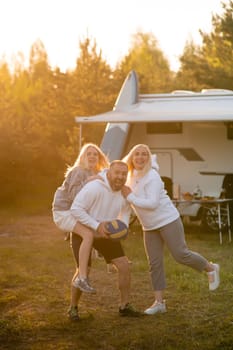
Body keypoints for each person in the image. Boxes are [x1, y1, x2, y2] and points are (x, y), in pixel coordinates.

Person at [122, 144, 220, 315]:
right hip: (149, 226)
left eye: (144, 154)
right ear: (131, 157)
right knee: (154, 264)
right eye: (137, 154)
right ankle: (159, 303)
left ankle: (211, 268)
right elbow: (126, 203)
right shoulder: (129, 177)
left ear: (148, 158)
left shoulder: (152, 176)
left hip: (167, 219)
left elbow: (152, 204)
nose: (140, 157)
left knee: (181, 255)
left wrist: (129, 196)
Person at [70, 160, 141, 320]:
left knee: (124, 265)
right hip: (83, 231)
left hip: (106, 233)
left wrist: (123, 228)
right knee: (83, 270)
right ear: (109, 173)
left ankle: (125, 306)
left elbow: (124, 213)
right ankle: (73, 308)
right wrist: (96, 225)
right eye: (117, 173)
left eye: (124, 174)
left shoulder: (124, 193)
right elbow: (75, 208)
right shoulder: (95, 187)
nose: (120, 177)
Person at [52, 143, 109, 295]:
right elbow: (73, 195)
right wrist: (90, 181)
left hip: (74, 211)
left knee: (94, 230)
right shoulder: (79, 171)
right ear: (83, 157)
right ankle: (82, 278)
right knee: (88, 234)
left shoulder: (96, 172)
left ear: (99, 158)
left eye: (95, 154)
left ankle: (103, 254)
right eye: (88, 154)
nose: (92, 156)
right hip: (64, 211)